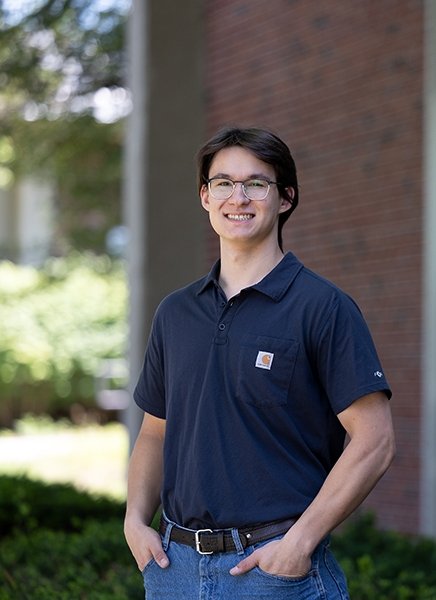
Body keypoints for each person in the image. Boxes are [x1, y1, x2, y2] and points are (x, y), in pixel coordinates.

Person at [124, 126, 395, 599]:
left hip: (274, 574)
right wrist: (133, 521)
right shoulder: (175, 312)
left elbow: (375, 441)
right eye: (224, 183)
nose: (239, 197)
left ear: (285, 198)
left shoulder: (323, 307)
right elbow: (154, 431)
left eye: (256, 183)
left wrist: (299, 544)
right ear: (206, 197)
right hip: (173, 571)